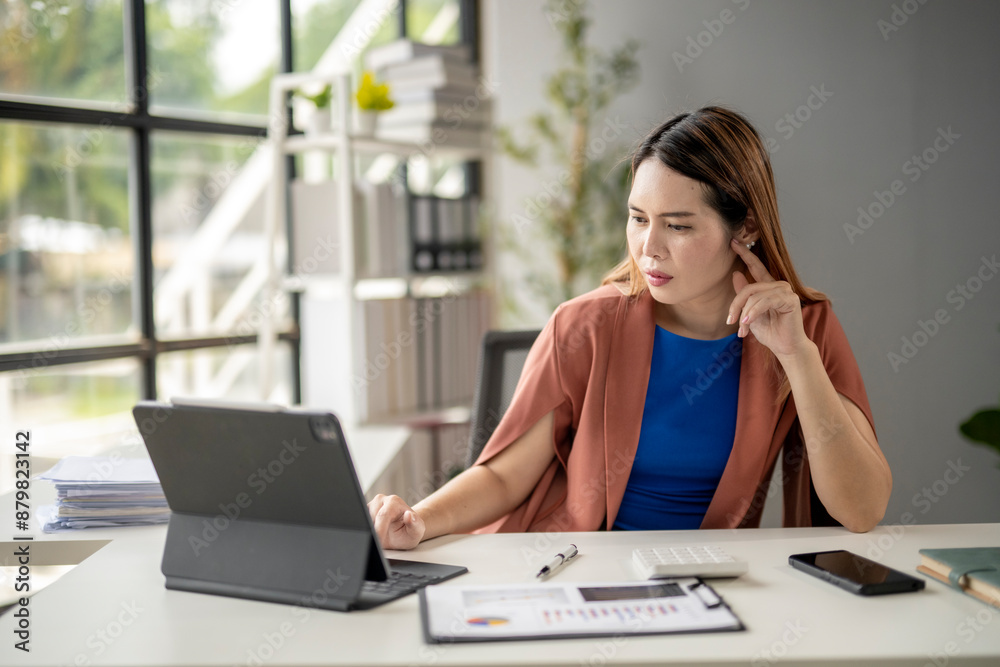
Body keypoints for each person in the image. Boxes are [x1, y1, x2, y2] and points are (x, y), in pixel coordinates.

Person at [369, 106, 891, 550]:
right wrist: (419, 521)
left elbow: (862, 509)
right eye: (638, 218)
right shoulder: (586, 325)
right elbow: (505, 475)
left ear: (747, 227)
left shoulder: (806, 327)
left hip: (713, 584)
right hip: (576, 568)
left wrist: (797, 357)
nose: (648, 248)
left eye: (678, 225)